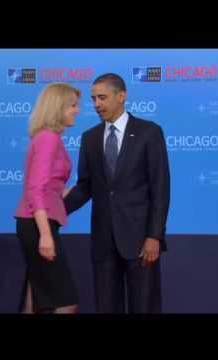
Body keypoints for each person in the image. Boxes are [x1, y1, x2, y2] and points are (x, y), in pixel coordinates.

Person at [64, 73, 170, 313]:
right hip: (103, 242)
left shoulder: (149, 132)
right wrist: (54, 210)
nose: (97, 104)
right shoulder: (89, 138)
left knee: (144, 306)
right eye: (93, 99)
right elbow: (85, 187)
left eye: (102, 97)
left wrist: (154, 236)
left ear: (121, 96)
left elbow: (160, 188)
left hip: (141, 240)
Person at [15, 83, 80, 314]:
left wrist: (64, 193)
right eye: (72, 105)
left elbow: (47, 186)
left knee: (36, 299)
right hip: (37, 225)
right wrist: (45, 235)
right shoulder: (48, 139)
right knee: (65, 301)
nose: (77, 110)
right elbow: (36, 188)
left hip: (39, 222)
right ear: (58, 107)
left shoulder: (49, 138)